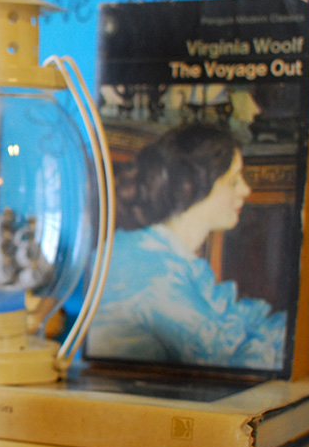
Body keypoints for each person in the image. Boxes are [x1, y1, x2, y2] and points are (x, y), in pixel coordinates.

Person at [87, 123, 286, 371]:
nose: (246, 190)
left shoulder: (164, 254)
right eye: (234, 181)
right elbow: (223, 362)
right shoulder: (155, 272)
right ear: (193, 186)